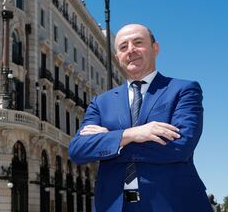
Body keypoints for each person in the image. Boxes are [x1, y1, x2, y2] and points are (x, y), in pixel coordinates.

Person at [68, 24, 212, 211]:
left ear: (155, 48)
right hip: (113, 205)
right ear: (117, 57)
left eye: (138, 42)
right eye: (123, 47)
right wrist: (130, 134)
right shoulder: (101, 102)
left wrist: (110, 141)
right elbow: (78, 150)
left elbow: (180, 147)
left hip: (172, 203)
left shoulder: (184, 90)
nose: (131, 50)